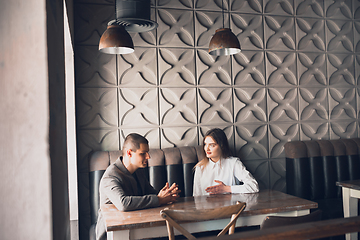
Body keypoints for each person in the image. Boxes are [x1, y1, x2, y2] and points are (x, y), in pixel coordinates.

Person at [96, 133, 181, 240]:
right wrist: (159, 199)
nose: (148, 157)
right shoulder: (110, 176)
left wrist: (167, 195)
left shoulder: (138, 171)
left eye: (148, 152)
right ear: (129, 153)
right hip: (113, 234)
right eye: (143, 153)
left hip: (136, 228)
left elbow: (151, 194)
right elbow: (123, 204)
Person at [193, 128, 259, 196]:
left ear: (222, 146)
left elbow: (254, 186)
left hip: (231, 206)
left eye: (212, 145)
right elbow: (196, 196)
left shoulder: (234, 163)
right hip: (207, 206)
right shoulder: (200, 167)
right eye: (205, 144)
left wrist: (227, 189)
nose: (207, 149)